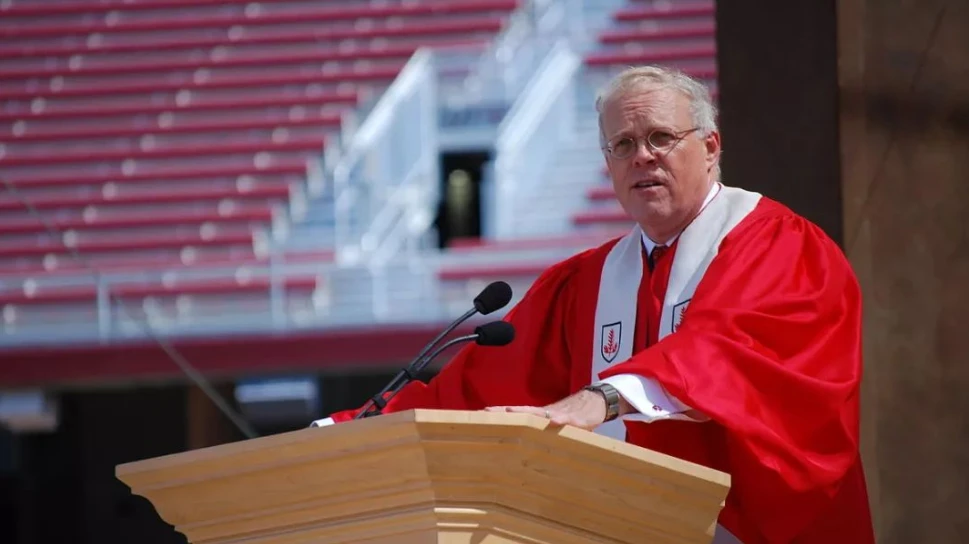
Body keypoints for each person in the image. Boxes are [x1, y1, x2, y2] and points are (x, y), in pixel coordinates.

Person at [317, 65, 875, 544]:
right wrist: (345, 432)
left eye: (661, 137)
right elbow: (469, 392)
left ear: (710, 148)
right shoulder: (584, 283)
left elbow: (729, 349)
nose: (642, 158)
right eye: (624, 145)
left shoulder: (780, 246)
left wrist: (602, 399)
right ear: (607, 165)